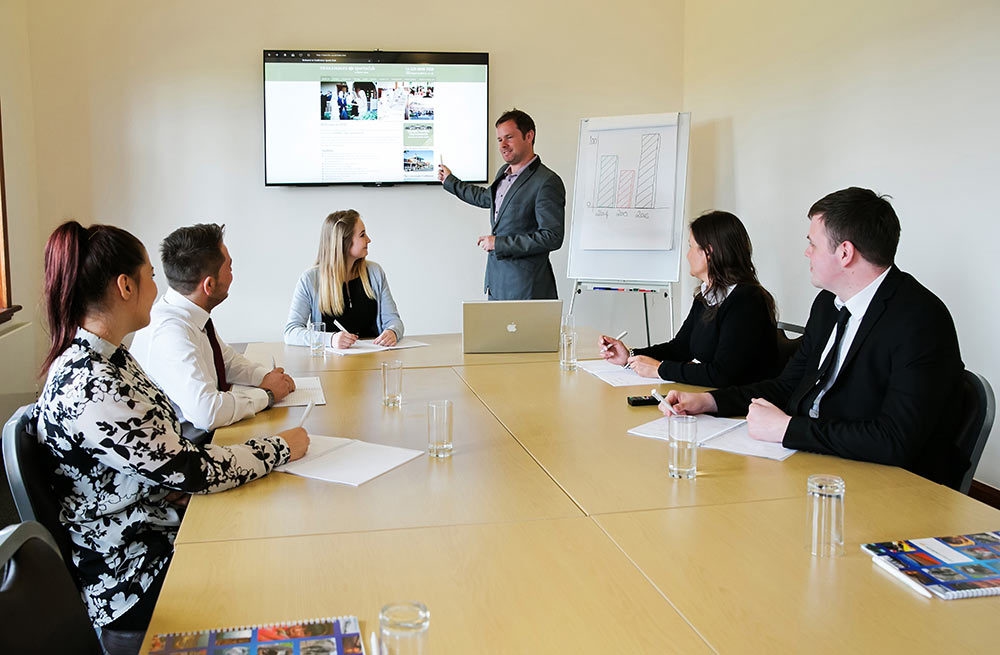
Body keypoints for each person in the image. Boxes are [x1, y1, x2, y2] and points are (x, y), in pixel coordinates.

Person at [32, 221, 309, 654]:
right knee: (284, 575)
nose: (158, 286)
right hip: (132, 574)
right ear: (125, 286)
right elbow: (190, 469)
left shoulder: (110, 357)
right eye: (150, 276)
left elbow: (161, 456)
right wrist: (279, 447)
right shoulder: (93, 383)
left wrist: (169, 483)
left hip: (153, 524)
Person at [661, 188, 965, 485]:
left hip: (888, 484)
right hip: (818, 462)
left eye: (813, 244)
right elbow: (788, 386)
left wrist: (789, 429)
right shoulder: (828, 305)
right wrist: (707, 401)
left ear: (845, 252)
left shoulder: (920, 320)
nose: (807, 252)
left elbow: (894, 440)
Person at [131, 224, 296, 440]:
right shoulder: (170, 332)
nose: (232, 275)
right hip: (192, 444)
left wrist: (265, 377)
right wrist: (267, 394)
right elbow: (206, 412)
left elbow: (226, 361)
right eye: (229, 267)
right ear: (209, 285)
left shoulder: (190, 314)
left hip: (207, 434)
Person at [599, 211, 780, 387]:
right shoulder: (706, 297)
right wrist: (630, 355)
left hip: (745, 409)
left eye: (691, 246)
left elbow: (723, 374)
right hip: (714, 398)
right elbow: (680, 348)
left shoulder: (747, 301)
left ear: (708, 252)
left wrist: (660, 369)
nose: (687, 255)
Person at [437, 108, 565, 300]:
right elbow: (486, 198)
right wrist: (450, 181)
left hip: (526, 289)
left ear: (529, 136)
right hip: (497, 284)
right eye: (499, 140)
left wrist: (499, 243)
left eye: (509, 137)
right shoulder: (504, 173)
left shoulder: (546, 181)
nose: (503, 145)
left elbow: (552, 236)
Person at [284, 210, 404, 349]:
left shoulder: (375, 272)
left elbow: (394, 320)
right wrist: (331, 339)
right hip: (329, 366)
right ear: (344, 242)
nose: (368, 240)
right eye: (362, 235)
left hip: (373, 361)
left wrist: (392, 332)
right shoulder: (310, 280)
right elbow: (291, 332)